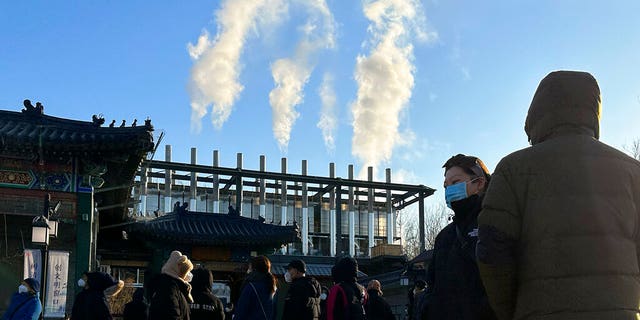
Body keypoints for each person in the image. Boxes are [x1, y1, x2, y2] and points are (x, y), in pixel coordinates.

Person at [477, 70, 640, 319]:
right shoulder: (632, 171)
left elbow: (492, 250)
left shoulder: (513, 168)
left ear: (536, 114)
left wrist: (512, 311)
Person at [420, 154, 496, 320]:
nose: (449, 190)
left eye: (455, 183)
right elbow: (433, 286)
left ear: (479, 183)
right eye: (446, 186)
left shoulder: (495, 223)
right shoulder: (444, 236)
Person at [148, 250, 195, 320]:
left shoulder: (172, 286)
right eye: (187, 273)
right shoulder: (169, 289)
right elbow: (172, 315)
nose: (188, 276)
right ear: (181, 272)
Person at [234, 255, 277, 320]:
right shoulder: (273, 287)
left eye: (250, 266)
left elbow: (241, 310)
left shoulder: (251, 287)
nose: (248, 269)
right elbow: (274, 311)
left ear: (254, 268)